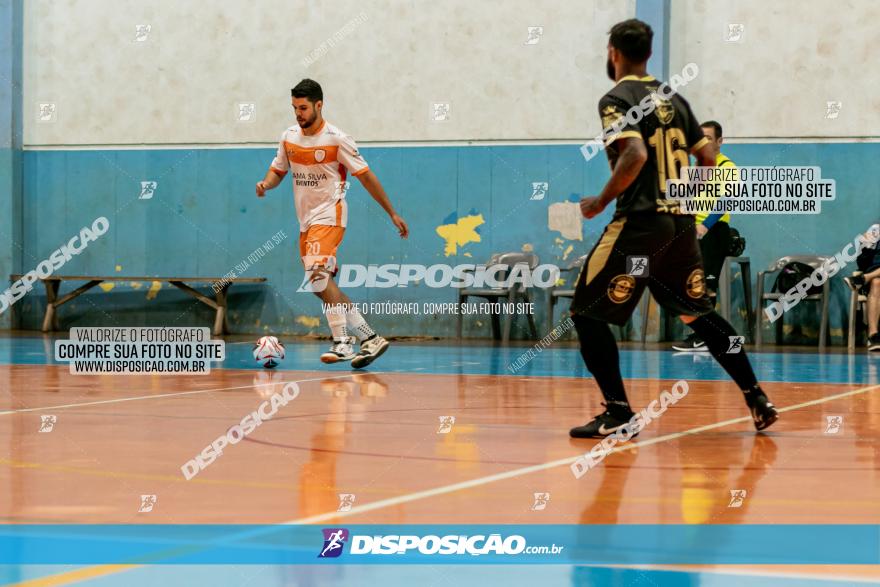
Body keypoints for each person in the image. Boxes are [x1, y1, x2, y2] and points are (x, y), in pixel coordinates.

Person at [569, 19, 778, 438]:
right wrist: (682, 199)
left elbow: (634, 155)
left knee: (584, 312)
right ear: (648, 52)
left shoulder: (616, 98)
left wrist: (600, 201)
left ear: (613, 52)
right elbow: (707, 157)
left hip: (640, 223)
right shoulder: (675, 100)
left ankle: (618, 411)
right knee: (698, 314)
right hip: (679, 226)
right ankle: (756, 396)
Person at [256, 79, 409, 367]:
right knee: (320, 284)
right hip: (305, 222)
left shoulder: (337, 138)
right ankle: (370, 337)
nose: (298, 114)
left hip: (330, 216)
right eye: (294, 108)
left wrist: (391, 212)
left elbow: (365, 176)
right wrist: (266, 183)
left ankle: (342, 342)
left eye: (303, 108)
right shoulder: (288, 137)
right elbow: (278, 170)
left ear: (318, 105)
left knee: (317, 276)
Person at [672, 120, 736, 352]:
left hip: (715, 230)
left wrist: (705, 225)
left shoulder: (727, 167)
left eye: (708, 138)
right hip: (691, 232)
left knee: (705, 284)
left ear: (719, 141)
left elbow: (727, 200)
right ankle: (700, 332)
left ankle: (706, 336)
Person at [845, 223, 880, 352]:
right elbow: (862, 263)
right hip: (876, 277)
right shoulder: (876, 230)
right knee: (876, 283)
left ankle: (863, 279)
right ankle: (873, 335)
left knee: (874, 280)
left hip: (869, 277)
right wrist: (864, 247)